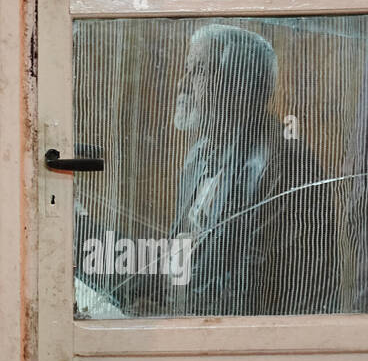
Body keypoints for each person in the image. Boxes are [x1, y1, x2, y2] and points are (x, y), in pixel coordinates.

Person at [130, 24, 340, 317]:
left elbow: (259, 298)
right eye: (187, 70)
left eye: (199, 71)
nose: (182, 85)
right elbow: (185, 259)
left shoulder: (283, 167)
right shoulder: (198, 157)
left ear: (238, 86)